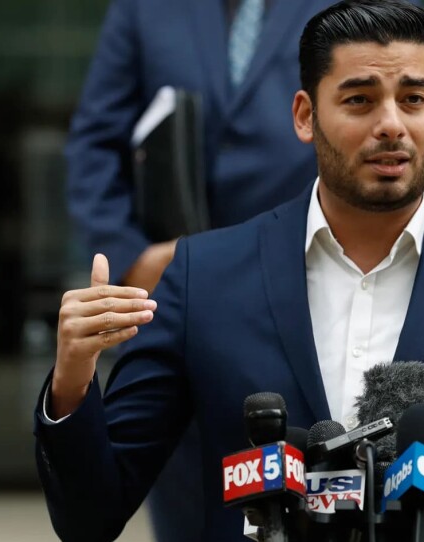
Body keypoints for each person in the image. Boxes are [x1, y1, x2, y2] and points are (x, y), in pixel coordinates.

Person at [36, 1, 424, 540]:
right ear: (306, 116)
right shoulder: (204, 278)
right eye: (359, 100)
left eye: (413, 100)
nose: (391, 124)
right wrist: (72, 380)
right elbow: (90, 516)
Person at [63, 0, 340, 539]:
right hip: (173, 298)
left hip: (303, 289)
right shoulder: (145, 9)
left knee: (307, 501)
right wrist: (133, 258)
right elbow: (96, 142)